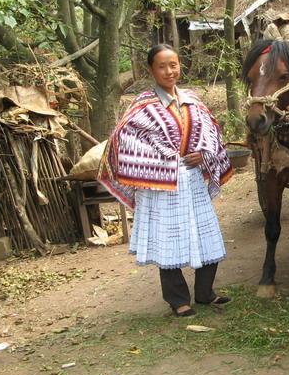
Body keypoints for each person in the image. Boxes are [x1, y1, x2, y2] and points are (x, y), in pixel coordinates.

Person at [98, 44, 233, 317]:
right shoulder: (143, 106)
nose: (169, 71)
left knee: (206, 234)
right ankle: (178, 300)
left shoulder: (193, 100)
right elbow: (124, 140)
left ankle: (206, 293)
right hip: (162, 184)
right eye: (162, 66)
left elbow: (212, 132)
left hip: (193, 180)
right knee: (169, 240)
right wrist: (166, 160)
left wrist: (203, 155)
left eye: (173, 64)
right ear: (151, 70)